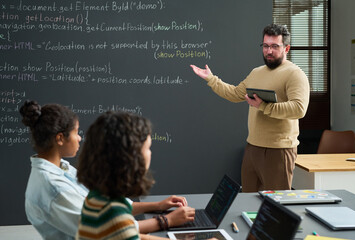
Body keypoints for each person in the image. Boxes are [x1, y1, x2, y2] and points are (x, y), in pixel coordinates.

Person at [20, 101, 194, 240]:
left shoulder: (63, 169)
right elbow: (115, 229)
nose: (80, 138)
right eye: (76, 132)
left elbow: (121, 222)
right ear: (60, 138)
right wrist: (166, 221)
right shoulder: (53, 188)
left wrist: (158, 206)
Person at [190, 24, 310, 192]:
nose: (269, 51)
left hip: (279, 150)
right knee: (247, 203)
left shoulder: (295, 74)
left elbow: (299, 108)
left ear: (286, 48)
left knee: (275, 207)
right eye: (266, 46)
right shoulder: (256, 72)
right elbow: (235, 93)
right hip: (252, 148)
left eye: (275, 46)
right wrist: (211, 79)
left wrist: (264, 106)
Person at [76, 111, 195, 240]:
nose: (150, 153)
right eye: (148, 148)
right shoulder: (115, 216)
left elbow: (133, 235)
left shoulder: (98, 197)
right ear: (131, 158)